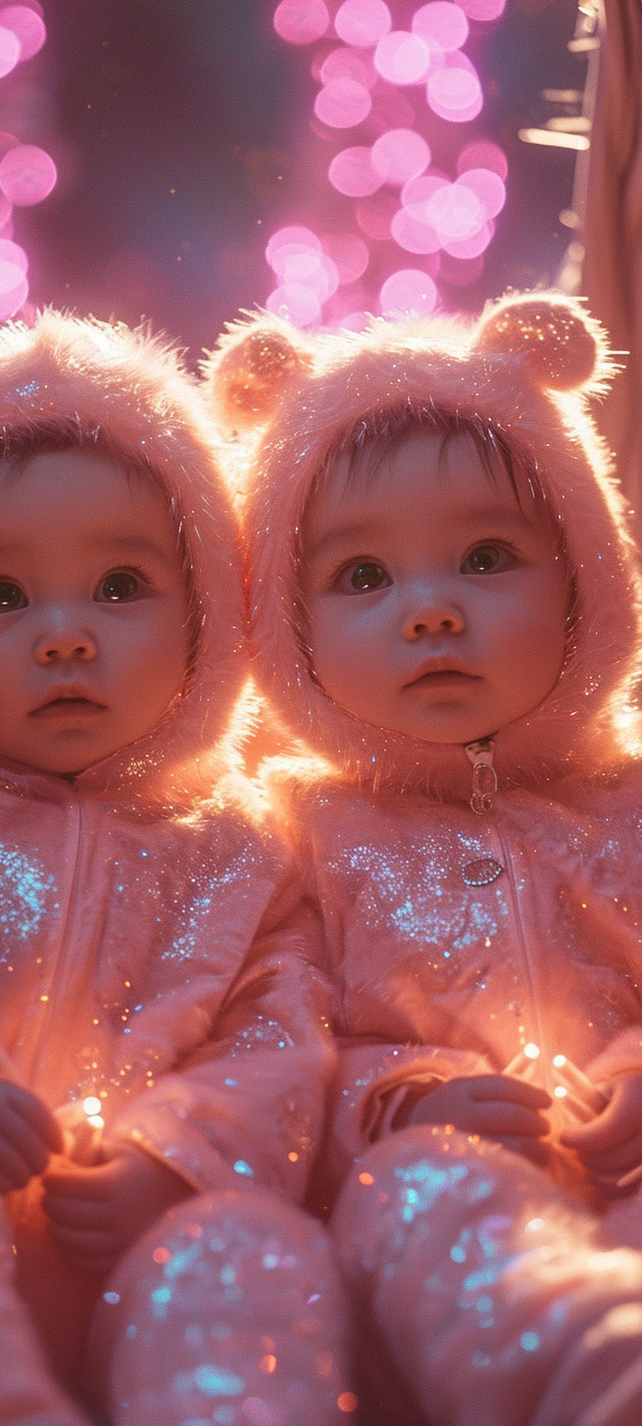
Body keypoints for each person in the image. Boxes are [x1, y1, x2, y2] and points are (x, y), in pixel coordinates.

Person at [0, 311, 351, 1426]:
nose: (65, 635)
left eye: (120, 586)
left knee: (259, 1244)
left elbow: (280, 1036)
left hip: (139, 1235)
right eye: (2, 597)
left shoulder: (242, 843)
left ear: (211, 607)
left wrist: (184, 1157)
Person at [206, 293, 642, 1426]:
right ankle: (591, 1371)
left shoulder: (630, 798)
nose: (432, 611)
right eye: (363, 578)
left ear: (587, 571)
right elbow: (283, 1042)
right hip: (438, 1189)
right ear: (282, 627)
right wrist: (400, 1103)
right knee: (418, 1195)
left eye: (488, 556)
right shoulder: (291, 835)